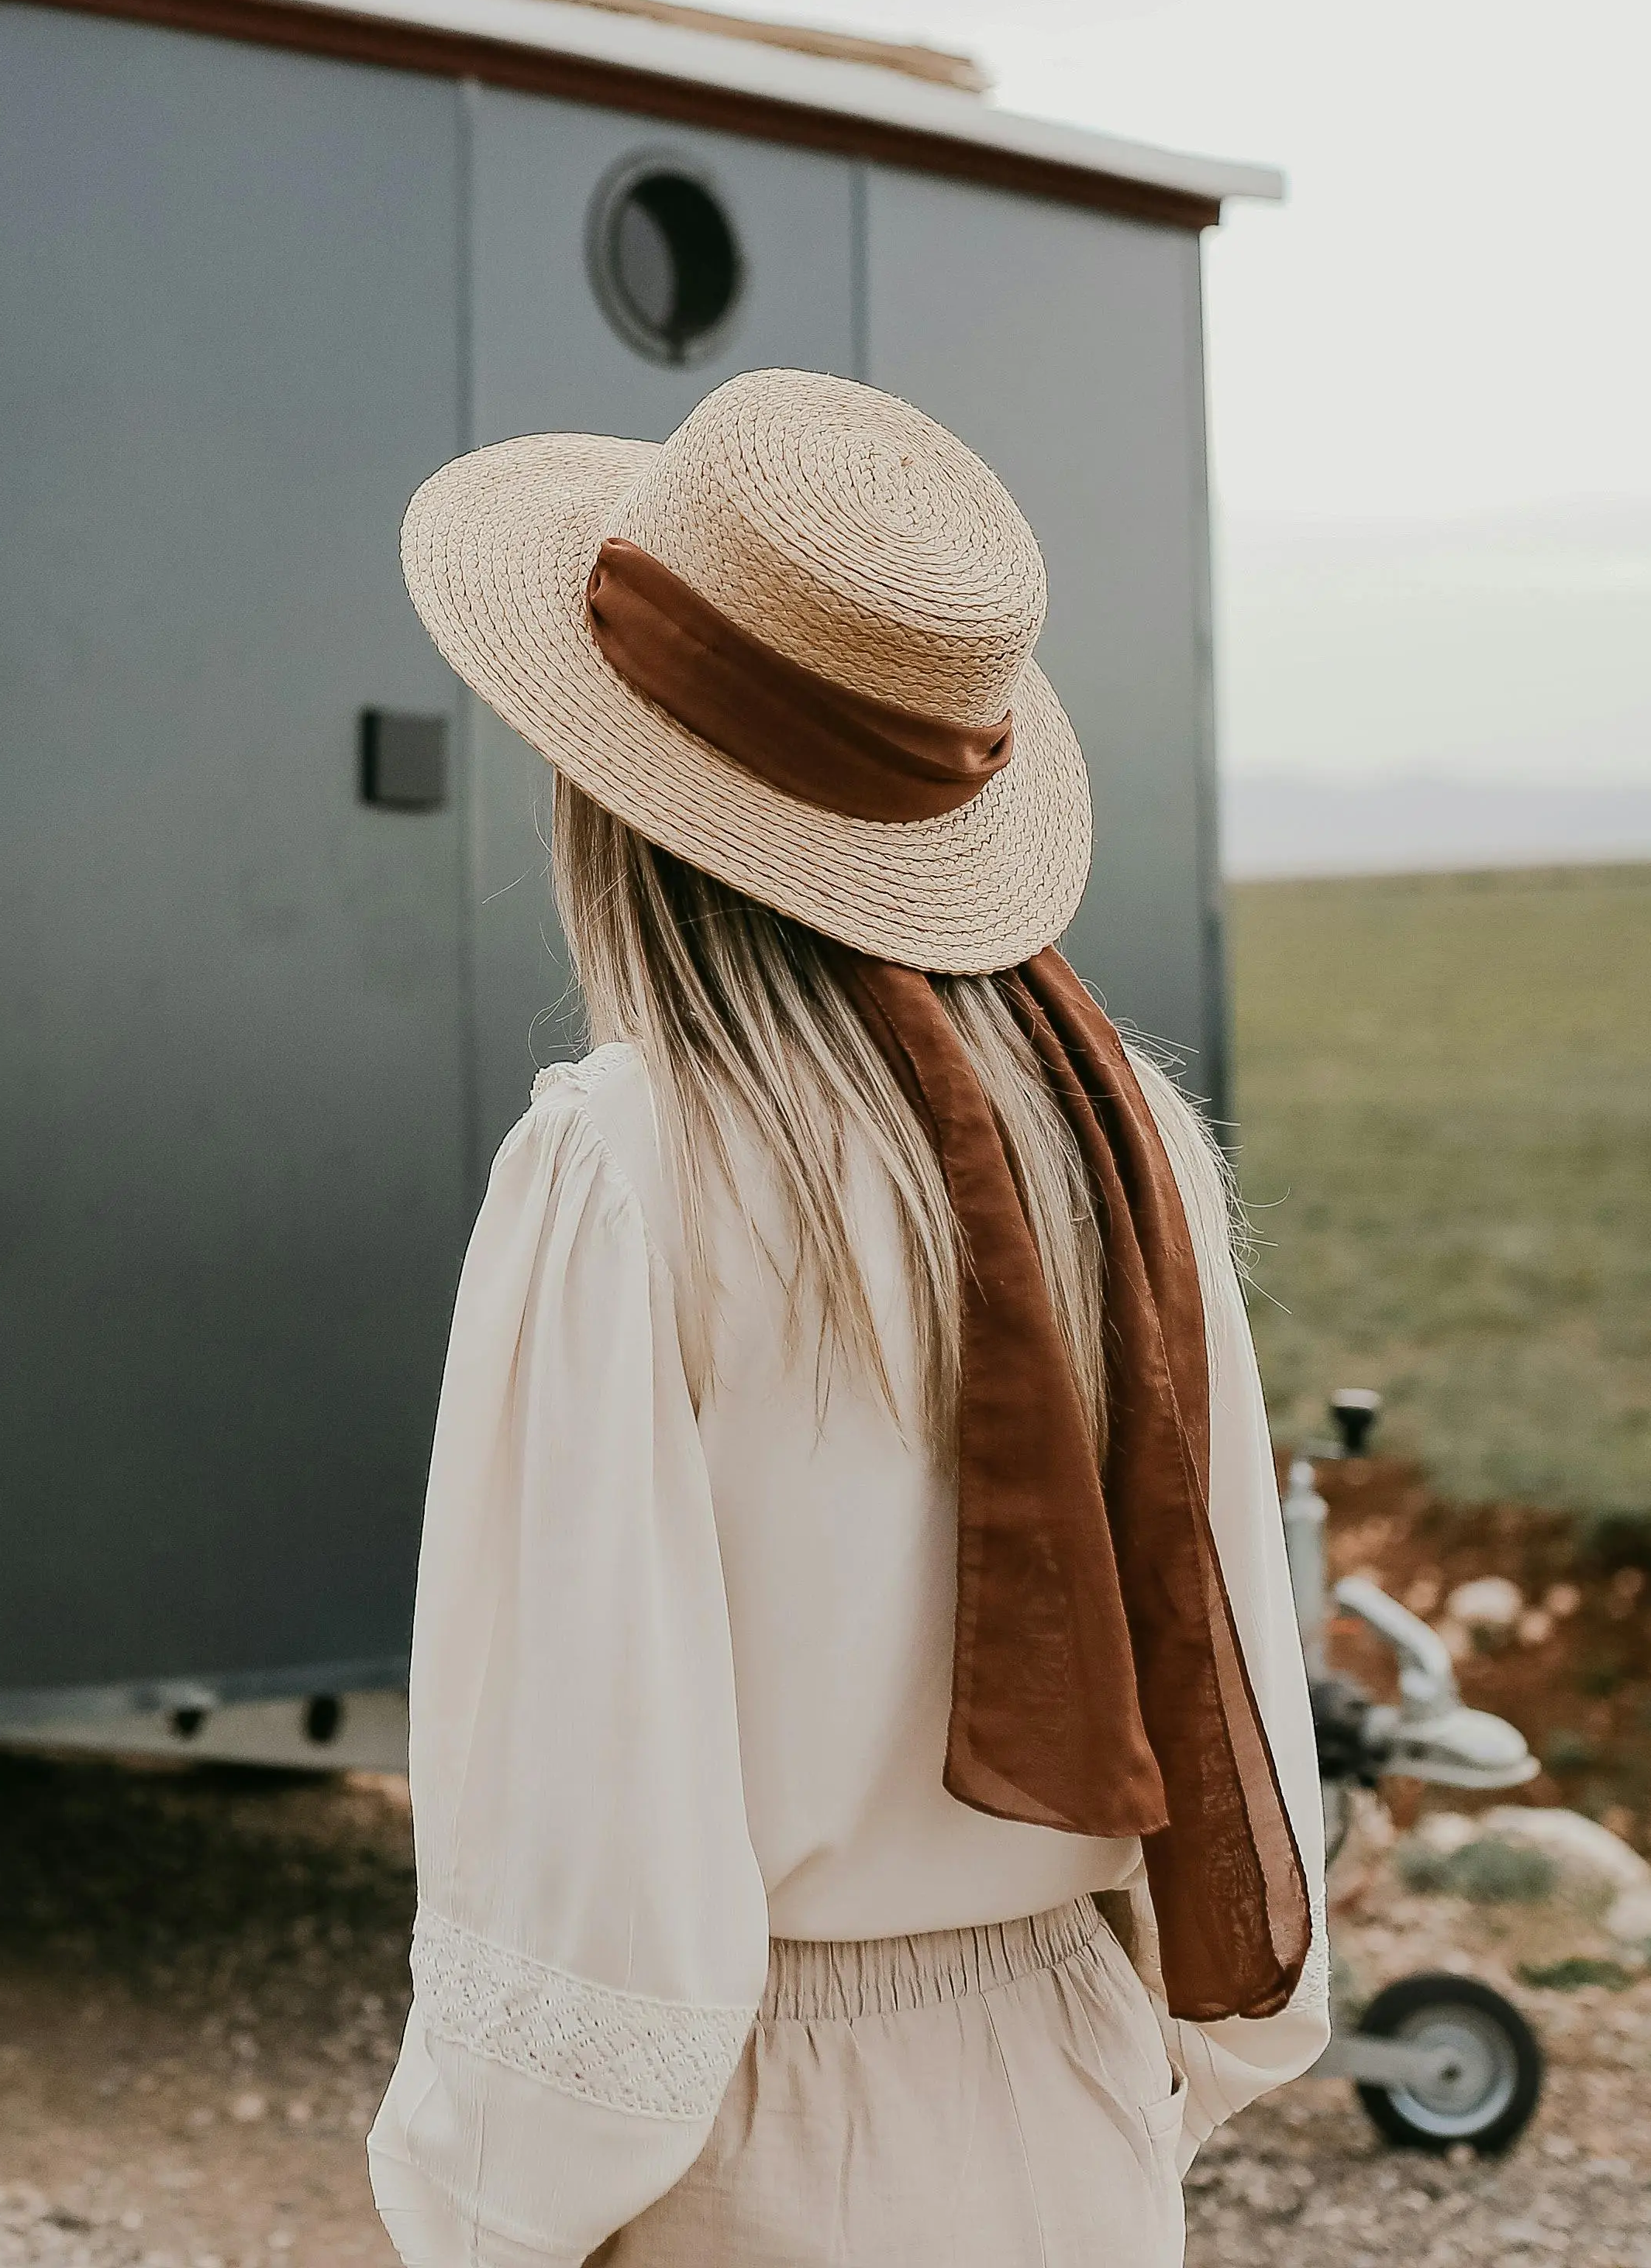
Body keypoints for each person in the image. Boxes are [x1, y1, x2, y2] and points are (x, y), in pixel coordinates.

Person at [372, 370, 1327, 2268]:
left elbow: (584, 1790)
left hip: (746, 2138)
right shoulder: (1129, 1136)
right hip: (1074, 2096)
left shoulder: (625, 1173)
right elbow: (1236, 1668)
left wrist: (487, 2206)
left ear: (612, 792)